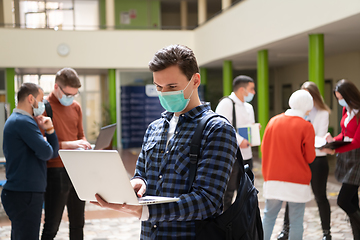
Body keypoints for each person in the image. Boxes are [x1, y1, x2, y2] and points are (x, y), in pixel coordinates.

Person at [92, 44, 239, 240]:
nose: (164, 93)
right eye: (159, 87)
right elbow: (142, 174)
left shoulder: (216, 129)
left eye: (172, 87)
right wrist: (137, 183)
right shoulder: (154, 128)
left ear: (195, 80)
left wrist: (147, 212)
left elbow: (208, 201)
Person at [1, 82, 59, 240]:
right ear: (31, 99)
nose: (42, 105)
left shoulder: (16, 121)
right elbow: (48, 152)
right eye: (40, 100)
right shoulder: (23, 122)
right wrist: (50, 130)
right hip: (25, 194)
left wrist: (48, 132)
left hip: (21, 192)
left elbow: (50, 152)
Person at [41, 68, 91, 240]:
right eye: (68, 94)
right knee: (52, 225)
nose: (71, 98)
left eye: (74, 94)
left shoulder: (75, 107)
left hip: (77, 168)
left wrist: (83, 144)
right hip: (56, 170)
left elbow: (80, 134)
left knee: (78, 222)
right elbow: (42, 144)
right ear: (56, 87)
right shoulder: (44, 107)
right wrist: (70, 144)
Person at [278, 82, 332, 240]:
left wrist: (304, 139)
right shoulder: (295, 113)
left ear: (314, 96)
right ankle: (285, 230)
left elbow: (319, 137)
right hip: (299, 159)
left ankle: (326, 233)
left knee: (320, 196)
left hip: (318, 160)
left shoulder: (323, 113)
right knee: (291, 195)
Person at [261, 89, 316, 240]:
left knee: (269, 216)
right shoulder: (306, 126)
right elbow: (310, 157)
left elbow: (263, 149)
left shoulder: (273, 121)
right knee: (296, 221)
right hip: (297, 181)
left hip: (273, 177)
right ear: (306, 106)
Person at [321, 79, 360, 239]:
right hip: (346, 157)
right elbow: (344, 135)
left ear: (349, 95)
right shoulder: (346, 110)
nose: (339, 101)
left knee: (343, 200)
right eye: (337, 98)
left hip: (357, 159)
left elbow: (357, 141)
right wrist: (332, 141)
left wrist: (334, 149)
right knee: (353, 201)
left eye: (340, 97)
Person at [215, 75, 256, 210]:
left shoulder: (248, 107)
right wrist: (239, 141)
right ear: (241, 89)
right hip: (231, 156)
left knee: (245, 191)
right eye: (251, 89)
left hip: (246, 155)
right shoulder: (226, 103)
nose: (253, 93)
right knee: (228, 193)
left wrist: (254, 130)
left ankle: (242, 223)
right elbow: (221, 126)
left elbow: (246, 127)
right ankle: (225, 223)